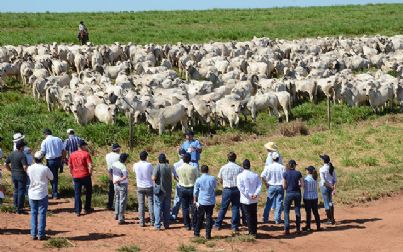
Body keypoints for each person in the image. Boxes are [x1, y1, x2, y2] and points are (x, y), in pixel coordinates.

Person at [27, 151, 53, 240]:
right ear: (42, 159)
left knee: (33, 213)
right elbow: (52, 177)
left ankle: (33, 234)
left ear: (34, 158)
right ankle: (41, 234)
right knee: (42, 213)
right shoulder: (45, 168)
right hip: (42, 193)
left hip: (32, 193)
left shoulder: (30, 168)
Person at [214, 152, 243, 232]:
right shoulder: (239, 168)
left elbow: (219, 179)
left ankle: (218, 225)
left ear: (228, 158)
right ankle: (234, 226)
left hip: (227, 189)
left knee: (223, 208)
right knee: (235, 208)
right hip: (236, 189)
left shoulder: (223, 167)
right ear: (235, 158)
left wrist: (224, 183)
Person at [237, 159, 262, 238]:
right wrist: (255, 194)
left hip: (245, 199)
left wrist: (249, 195)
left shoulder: (240, 176)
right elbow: (259, 185)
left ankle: (251, 233)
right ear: (250, 166)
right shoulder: (255, 175)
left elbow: (240, 188)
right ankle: (254, 231)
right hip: (254, 199)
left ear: (242, 166)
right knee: (254, 215)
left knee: (248, 216)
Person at [68, 140, 93, 216]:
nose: (86, 147)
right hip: (85, 175)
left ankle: (77, 210)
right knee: (88, 191)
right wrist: (90, 173)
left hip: (76, 175)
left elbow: (70, 166)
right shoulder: (86, 154)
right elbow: (90, 166)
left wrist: (72, 173)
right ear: (82, 146)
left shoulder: (72, 154)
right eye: (85, 145)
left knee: (77, 193)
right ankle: (87, 208)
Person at [176, 153, 199, 230]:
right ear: (190, 160)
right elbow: (198, 178)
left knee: (185, 208)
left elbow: (177, 178)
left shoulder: (178, 169)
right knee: (193, 207)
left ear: (183, 159)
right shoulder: (193, 168)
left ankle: (187, 225)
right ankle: (194, 224)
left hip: (182, 188)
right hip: (192, 188)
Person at [261, 151, 285, 224]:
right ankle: (277, 219)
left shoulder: (268, 167)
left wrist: (266, 184)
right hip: (280, 186)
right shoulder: (282, 167)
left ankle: (265, 218)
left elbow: (262, 176)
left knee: (268, 203)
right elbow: (285, 177)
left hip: (271, 186)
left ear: (272, 159)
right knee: (279, 203)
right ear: (278, 158)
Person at [40, 129, 65, 199]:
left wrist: (39, 161)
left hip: (50, 161)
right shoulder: (58, 139)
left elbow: (43, 152)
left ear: (45, 134)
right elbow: (63, 150)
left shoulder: (44, 141)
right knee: (55, 176)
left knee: (52, 177)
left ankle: (55, 193)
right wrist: (63, 159)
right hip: (58, 159)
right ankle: (55, 192)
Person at [194, 165, 217, 239]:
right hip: (210, 201)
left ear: (201, 171)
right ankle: (208, 235)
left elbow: (195, 191)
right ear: (208, 170)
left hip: (202, 201)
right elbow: (214, 187)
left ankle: (197, 233)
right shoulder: (212, 178)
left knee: (200, 218)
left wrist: (195, 200)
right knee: (209, 218)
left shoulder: (198, 179)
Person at [5, 141, 28, 214]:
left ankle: (15, 207)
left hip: (14, 174)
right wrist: (28, 172)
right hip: (21, 175)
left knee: (16, 190)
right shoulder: (22, 155)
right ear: (21, 147)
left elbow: (5, 163)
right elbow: (25, 167)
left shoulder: (12, 154)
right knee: (21, 191)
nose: (24, 148)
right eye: (23, 146)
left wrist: (10, 170)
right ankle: (20, 208)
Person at [133, 151, 154, 227]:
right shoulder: (149, 165)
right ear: (146, 157)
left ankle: (142, 222)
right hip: (149, 186)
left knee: (141, 204)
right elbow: (153, 174)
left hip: (140, 186)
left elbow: (134, 171)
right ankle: (152, 221)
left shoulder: (135, 165)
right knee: (150, 204)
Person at [283, 160, 304, 235]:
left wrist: (288, 187)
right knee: (297, 210)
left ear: (289, 165)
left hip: (289, 193)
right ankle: (298, 229)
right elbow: (302, 184)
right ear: (295, 165)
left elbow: (284, 186)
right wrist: (297, 186)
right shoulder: (298, 173)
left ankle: (287, 229)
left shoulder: (285, 173)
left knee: (286, 211)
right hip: (297, 193)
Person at [152, 153, 173, 230]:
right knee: (167, 208)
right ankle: (166, 224)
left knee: (157, 207)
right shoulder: (168, 166)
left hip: (160, 190)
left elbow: (153, 178)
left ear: (159, 160)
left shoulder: (158, 166)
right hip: (168, 190)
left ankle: (157, 225)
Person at [111, 153, 129, 224]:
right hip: (122, 184)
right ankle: (121, 218)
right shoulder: (123, 167)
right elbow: (125, 176)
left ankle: (116, 214)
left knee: (117, 199)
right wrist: (119, 180)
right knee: (122, 201)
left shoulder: (114, 163)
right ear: (125, 159)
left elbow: (110, 170)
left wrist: (113, 179)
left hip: (116, 184)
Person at [319, 154, 337, 225]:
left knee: (326, 203)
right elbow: (335, 180)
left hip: (325, 187)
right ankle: (332, 218)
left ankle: (329, 219)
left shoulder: (322, 169)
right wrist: (333, 188)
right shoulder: (332, 168)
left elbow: (323, 181)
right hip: (331, 187)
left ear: (323, 161)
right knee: (330, 202)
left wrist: (330, 186)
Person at [303, 166, 321, 232]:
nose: (306, 171)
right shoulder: (315, 178)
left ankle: (308, 227)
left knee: (308, 213)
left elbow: (303, 186)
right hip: (314, 197)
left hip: (307, 197)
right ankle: (318, 226)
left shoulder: (306, 179)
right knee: (315, 212)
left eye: (307, 170)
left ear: (309, 171)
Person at [170, 149, 186, 221]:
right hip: (188, 185)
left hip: (179, 184)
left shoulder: (175, 165)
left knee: (177, 200)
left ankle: (174, 215)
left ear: (179, 155)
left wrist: (179, 181)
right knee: (187, 201)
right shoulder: (190, 164)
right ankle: (186, 216)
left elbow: (174, 177)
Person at [105, 143, 121, 210]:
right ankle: (117, 206)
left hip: (110, 173)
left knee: (111, 190)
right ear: (117, 149)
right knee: (118, 191)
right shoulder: (119, 156)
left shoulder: (107, 155)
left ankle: (110, 204)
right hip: (117, 174)